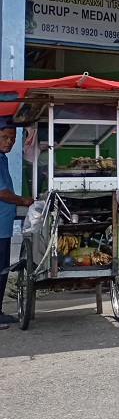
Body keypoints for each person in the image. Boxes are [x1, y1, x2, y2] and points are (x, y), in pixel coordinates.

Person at [0, 120, 34, 326]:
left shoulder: (2, 158)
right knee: (0, 270)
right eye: (5, 137)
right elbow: (2, 192)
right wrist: (23, 200)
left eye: (13, 138)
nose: (9, 142)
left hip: (4, 225)